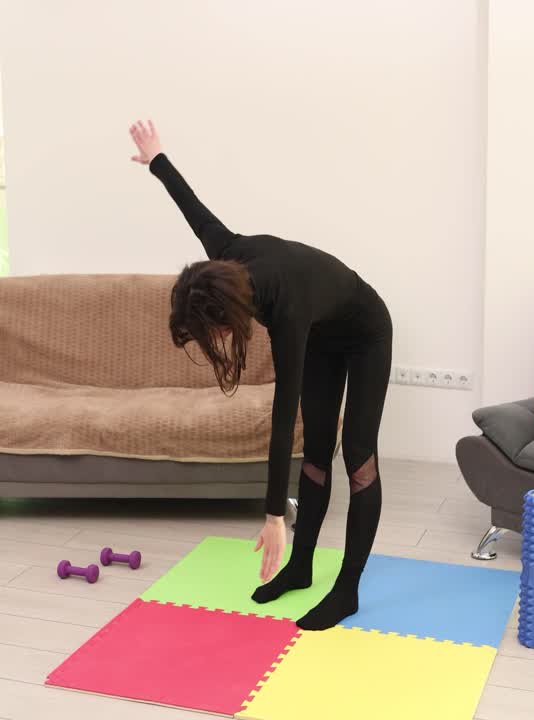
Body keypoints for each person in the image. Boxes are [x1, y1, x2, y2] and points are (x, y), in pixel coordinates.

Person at [129, 120, 392, 631]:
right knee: (316, 456)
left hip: (365, 334)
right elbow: (194, 210)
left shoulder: (286, 305)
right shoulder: (226, 257)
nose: (220, 343)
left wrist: (275, 517)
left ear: (228, 314)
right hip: (324, 332)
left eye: (216, 334)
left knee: (359, 459)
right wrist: (157, 158)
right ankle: (301, 568)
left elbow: (280, 415)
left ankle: (348, 589)